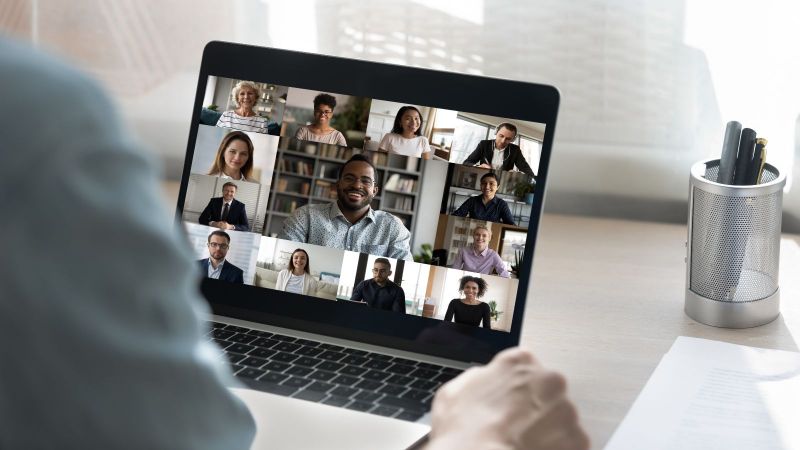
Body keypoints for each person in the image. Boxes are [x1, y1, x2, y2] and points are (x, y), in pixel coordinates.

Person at [2, 38, 588, 449]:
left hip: (392, 359)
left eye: (368, 181)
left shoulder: (396, 233)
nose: (358, 185)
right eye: (351, 177)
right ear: (338, 182)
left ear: (378, 190)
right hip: (242, 339)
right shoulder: (46, 116)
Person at [278, 154, 412, 260]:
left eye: (365, 181)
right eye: (349, 178)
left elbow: (403, 270)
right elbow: (285, 259)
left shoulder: (393, 227)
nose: (357, 185)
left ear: (375, 191)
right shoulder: (305, 217)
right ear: (337, 185)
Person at [462, 122, 535, 177]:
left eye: (508, 139)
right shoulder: (484, 144)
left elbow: (528, 171)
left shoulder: (515, 150)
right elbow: (466, 162)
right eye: (501, 136)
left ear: (513, 139)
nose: (503, 141)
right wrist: (478, 167)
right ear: (496, 132)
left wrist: (519, 174)